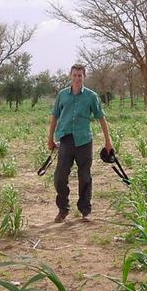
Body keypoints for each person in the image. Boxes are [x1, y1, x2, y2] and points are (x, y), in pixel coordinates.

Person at [47, 63, 113, 223]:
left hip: (84, 140)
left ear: (84, 77)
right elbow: (55, 116)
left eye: (80, 75)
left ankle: (85, 210)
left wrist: (108, 141)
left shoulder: (91, 96)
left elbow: (101, 118)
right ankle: (63, 209)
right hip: (65, 139)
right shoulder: (62, 95)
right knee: (59, 177)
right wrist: (50, 139)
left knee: (85, 176)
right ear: (70, 76)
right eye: (74, 75)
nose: (77, 78)